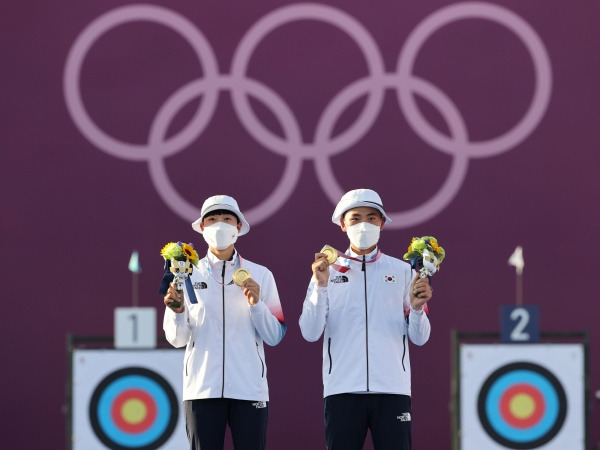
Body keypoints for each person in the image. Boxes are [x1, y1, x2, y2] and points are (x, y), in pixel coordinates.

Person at [299, 188, 432, 450]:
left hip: (393, 390)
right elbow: (310, 332)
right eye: (356, 218)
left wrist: (417, 310)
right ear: (342, 225)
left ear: (382, 223)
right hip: (342, 391)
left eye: (371, 218)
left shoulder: (403, 271)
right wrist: (321, 286)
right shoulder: (325, 271)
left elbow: (420, 337)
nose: (364, 224)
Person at [162, 195, 286, 450]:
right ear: (203, 228)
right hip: (201, 389)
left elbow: (275, 335)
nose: (220, 225)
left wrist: (256, 305)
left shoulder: (261, 274)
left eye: (227, 219)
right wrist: (177, 312)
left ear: (238, 227)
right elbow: (177, 339)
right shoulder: (184, 273)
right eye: (213, 219)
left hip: (249, 389)